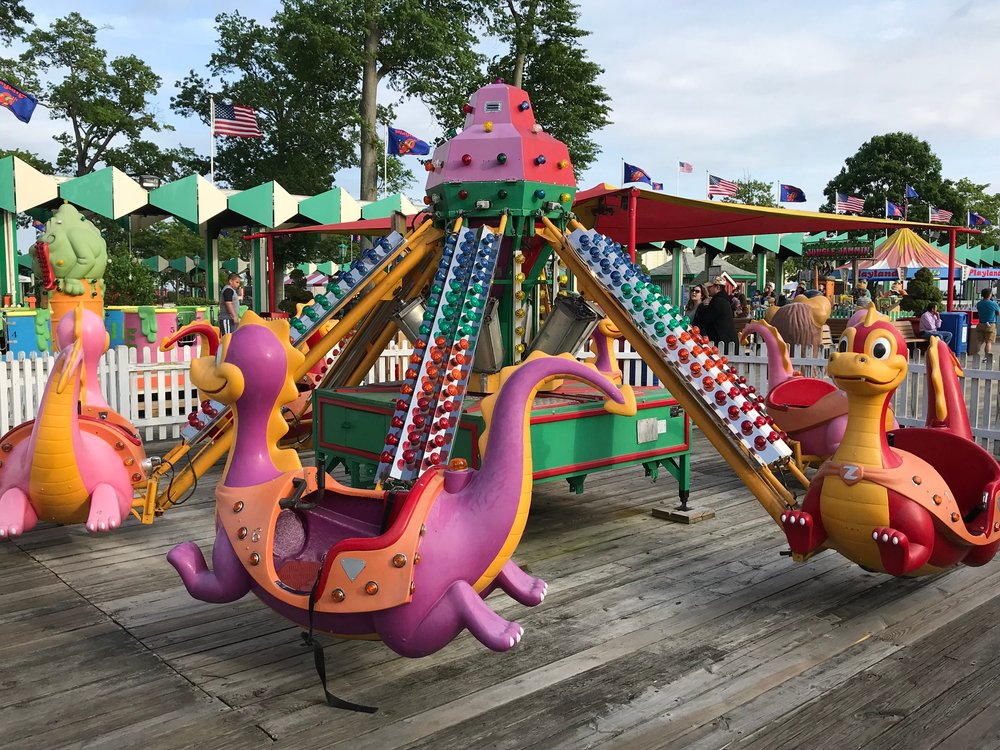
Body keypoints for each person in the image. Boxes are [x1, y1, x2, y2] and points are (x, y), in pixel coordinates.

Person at [699, 277, 738, 351]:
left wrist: (704, 306)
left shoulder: (718, 301)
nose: (708, 289)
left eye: (710, 287)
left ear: (717, 287)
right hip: (728, 341)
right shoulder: (724, 300)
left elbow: (706, 318)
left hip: (722, 342)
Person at [976, 288, 1000, 358]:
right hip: (990, 325)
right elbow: (998, 313)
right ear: (990, 295)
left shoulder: (979, 304)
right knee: (988, 342)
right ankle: (986, 357)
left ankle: (975, 355)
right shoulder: (993, 304)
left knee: (979, 341)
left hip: (980, 324)